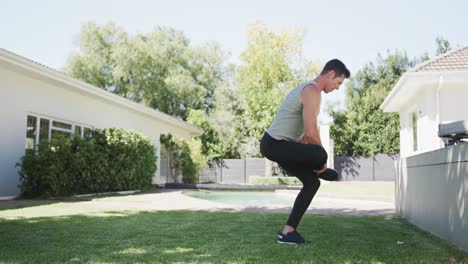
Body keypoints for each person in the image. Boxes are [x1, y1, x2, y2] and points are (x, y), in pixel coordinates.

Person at [260, 59, 350, 245]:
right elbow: (311, 132)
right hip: (274, 144)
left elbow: (302, 137)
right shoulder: (312, 90)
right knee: (320, 154)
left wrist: (312, 158)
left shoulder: (309, 90)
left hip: (280, 145)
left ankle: (288, 233)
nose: (338, 88)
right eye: (338, 82)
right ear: (331, 74)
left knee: (312, 183)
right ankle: (322, 169)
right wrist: (321, 162)